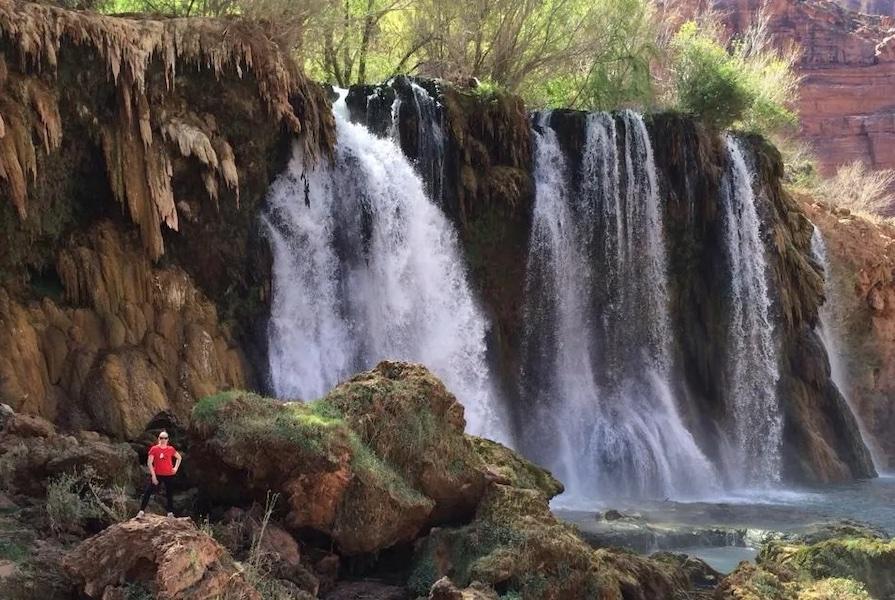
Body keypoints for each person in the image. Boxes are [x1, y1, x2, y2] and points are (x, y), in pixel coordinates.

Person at [136, 430, 182, 517]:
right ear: (158, 439)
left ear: (168, 439)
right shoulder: (154, 449)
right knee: (148, 492)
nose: (163, 440)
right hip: (158, 474)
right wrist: (153, 476)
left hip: (169, 475)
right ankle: (141, 511)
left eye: (165, 438)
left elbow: (179, 457)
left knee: (169, 494)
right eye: (161, 438)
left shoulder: (171, 449)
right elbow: (149, 463)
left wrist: (175, 468)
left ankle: (170, 513)